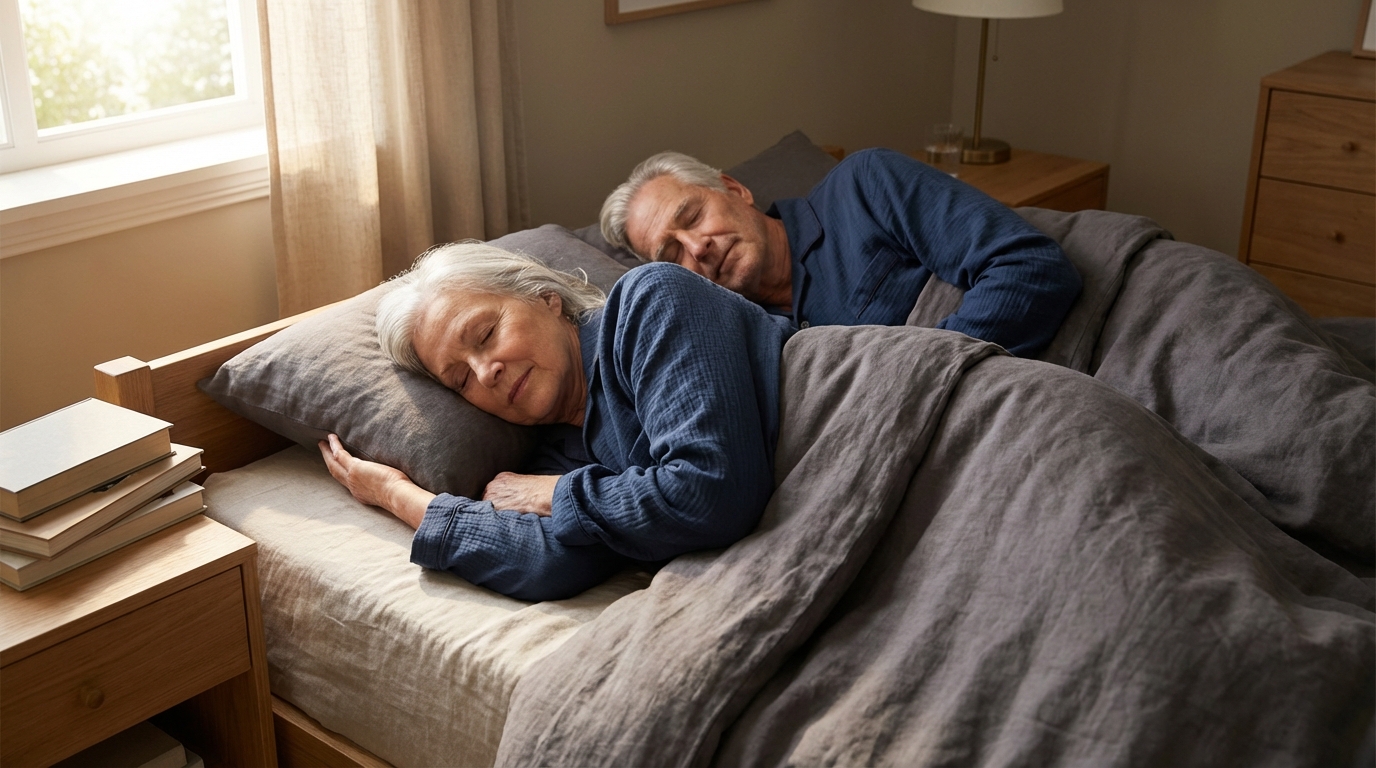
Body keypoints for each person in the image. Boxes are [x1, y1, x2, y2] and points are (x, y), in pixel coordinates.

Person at [317, 242, 794, 601]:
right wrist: (397, 495)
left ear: (547, 298)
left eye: (485, 334)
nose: (487, 372)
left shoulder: (650, 301)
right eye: (462, 380)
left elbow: (710, 491)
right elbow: (549, 565)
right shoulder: (556, 456)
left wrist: (552, 495)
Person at [599, 148, 1082, 358]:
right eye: (671, 254)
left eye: (693, 216)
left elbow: (1030, 268)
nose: (698, 247)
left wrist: (916, 372)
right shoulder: (743, 339)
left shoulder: (865, 185)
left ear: (734, 189)